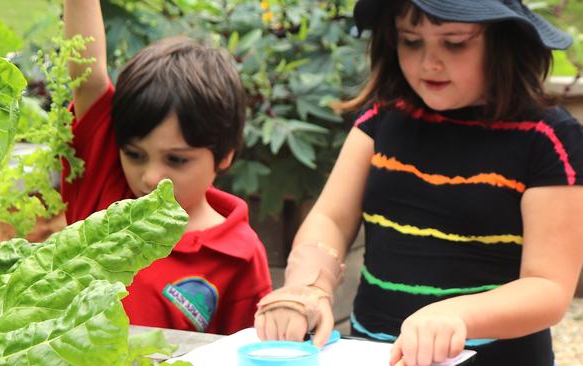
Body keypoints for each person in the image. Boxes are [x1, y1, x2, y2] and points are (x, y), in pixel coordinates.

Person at [253, 0, 583, 365]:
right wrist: (308, 286)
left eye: (454, 43)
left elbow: (548, 287)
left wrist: (455, 314)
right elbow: (330, 218)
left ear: (503, 40)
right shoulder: (384, 116)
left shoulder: (548, 138)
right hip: (376, 355)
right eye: (411, 41)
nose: (429, 62)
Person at [61, 0, 272, 335]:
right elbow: (87, 77)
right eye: (134, 154)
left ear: (225, 155)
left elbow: (243, 352)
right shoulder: (105, 188)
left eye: (176, 159)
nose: (150, 178)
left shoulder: (239, 255)